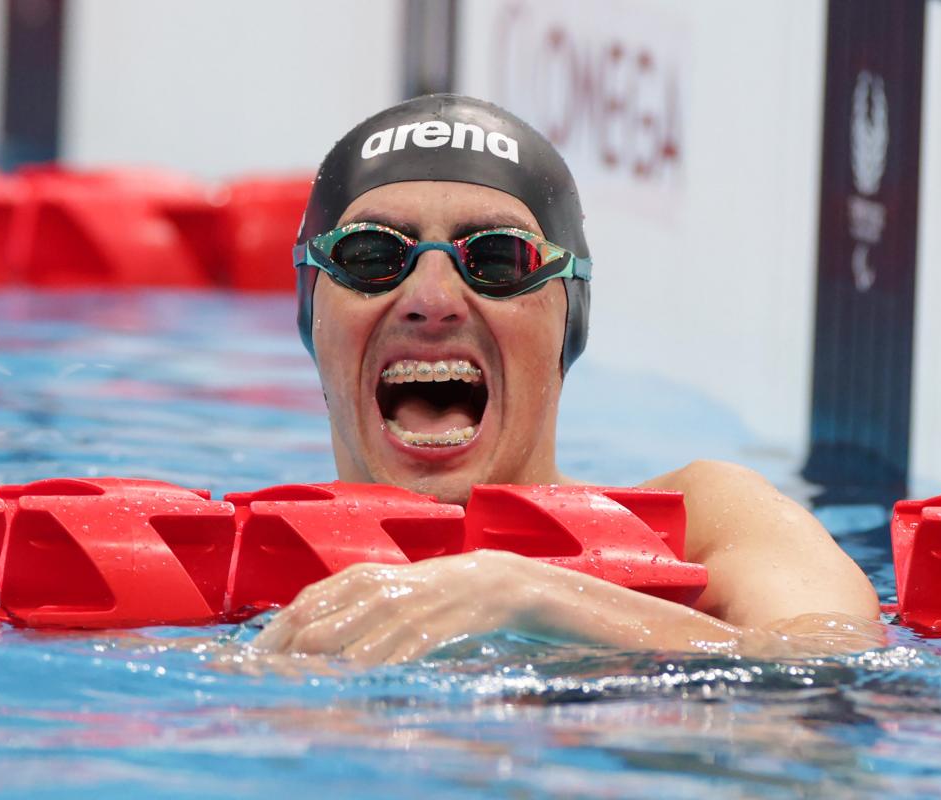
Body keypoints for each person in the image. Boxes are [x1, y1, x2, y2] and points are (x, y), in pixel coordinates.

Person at [253, 95, 880, 665]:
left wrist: (525, 595)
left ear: (570, 319)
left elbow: (834, 677)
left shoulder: (708, 524)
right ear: (311, 311)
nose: (432, 297)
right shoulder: (206, 562)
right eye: (371, 256)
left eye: (498, 258)